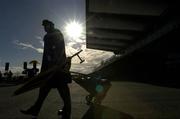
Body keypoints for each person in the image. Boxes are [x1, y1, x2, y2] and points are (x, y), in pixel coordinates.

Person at [20, 19, 72, 119]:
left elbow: (56, 50)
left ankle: (66, 113)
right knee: (44, 90)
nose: (44, 28)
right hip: (51, 69)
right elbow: (50, 53)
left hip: (56, 70)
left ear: (51, 25)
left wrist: (55, 64)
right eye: (44, 26)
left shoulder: (54, 35)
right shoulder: (53, 35)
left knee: (63, 93)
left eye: (46, 26)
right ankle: (35, 110)